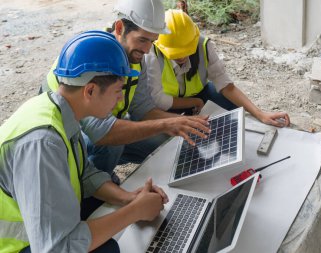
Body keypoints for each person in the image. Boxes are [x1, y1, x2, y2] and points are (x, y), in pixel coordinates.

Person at [0, 31, 169, 253]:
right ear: (90, 90)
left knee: (108, 209)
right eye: (118, 90)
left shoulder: (60, 111)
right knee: (106, 249)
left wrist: (128, 198)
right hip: (18, 246)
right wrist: (134, 212)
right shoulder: (43, 142)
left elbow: (84, 173)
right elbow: (58, 247)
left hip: (41, 231)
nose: (120, 98)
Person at [41, 0, 210, 183]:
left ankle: (101, 174)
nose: (146, 50)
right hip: (66, 138)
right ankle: (92, 186)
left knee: (166, 142)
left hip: (104, 127)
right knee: (114, 143)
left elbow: (143, 109)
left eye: (152, 41)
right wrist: (166, 124)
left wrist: (183, 122)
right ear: (120, 28)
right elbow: (103, 133)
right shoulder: (91, 57)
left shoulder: (135, 57)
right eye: (142, 39)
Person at [146, 9, 290, 127]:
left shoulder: (203, 45)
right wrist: (194, 103)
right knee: (164, 135)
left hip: (200, 94)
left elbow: (225, 85)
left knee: (234, 110)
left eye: (186, 51)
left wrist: (260, 114)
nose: (182, 57)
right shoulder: (152, 53)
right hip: (168, 106)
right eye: (176, 53)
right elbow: (159, 100)